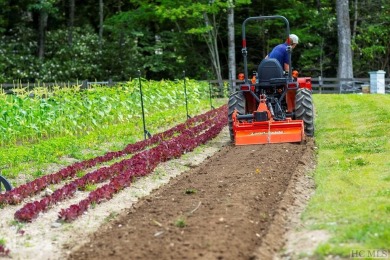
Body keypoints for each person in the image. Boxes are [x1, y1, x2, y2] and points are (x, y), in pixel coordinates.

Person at [265, 34, 299, 113]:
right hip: (277, 76)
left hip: (266, 76)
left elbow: (266, 58)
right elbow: (286, 66)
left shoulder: (278, 47)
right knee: (291, 85)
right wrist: (289, 76)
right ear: (292, 44)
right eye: (295, 45)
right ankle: (290, 109)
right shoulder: (287, 49)